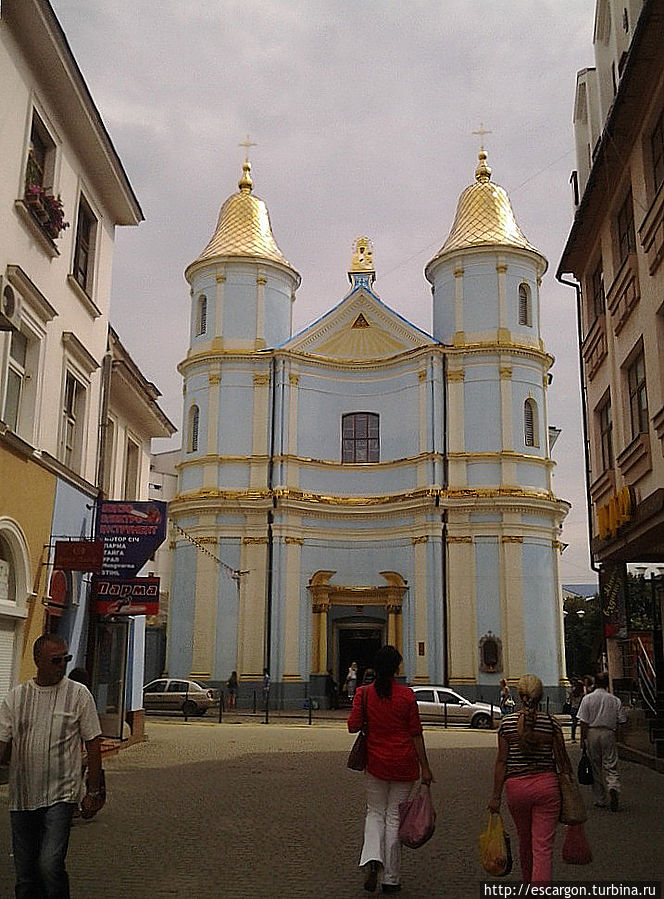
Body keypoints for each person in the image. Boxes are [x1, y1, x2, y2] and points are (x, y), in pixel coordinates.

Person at [0, 634, 104, 897]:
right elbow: (2, 742)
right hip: (23, 797)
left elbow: (93, 742)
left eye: (65, 659)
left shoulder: (78, 695)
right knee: (25, 874)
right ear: (37, 660)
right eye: (56, 660)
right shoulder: (16, 697)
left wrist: (92, 791)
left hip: (61, 794)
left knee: (49, 864)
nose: (62, 665)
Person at [348, 645, 433, 894]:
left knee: (374, 813)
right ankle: (391, 878)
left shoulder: (364, 694)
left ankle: (373, 858)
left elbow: (352, 726)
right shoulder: (407, 696)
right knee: (395, 816)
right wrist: (425, 768)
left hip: (376, 764)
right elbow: (416, 734)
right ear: (397, 668)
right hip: (404, 765)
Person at [488, 674, 573, 884]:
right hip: (547, 787)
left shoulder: (507, 724)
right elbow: (562, 759)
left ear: (519, 696)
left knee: (524, 842)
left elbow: (501, 762)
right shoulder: (551, 723)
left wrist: (495, 798)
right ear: (541, 696)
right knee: (542, 847)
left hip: (516, 789)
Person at [576, 670, 627, 811]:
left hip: (592, 732)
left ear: (595, 683)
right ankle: (613, 786)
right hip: (609, 732)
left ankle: (601, 799)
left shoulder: (587, 699)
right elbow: (622, 721)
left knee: (595, 766)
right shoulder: (614, 700)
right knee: (611, 763)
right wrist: (619, 738)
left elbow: (583, 721)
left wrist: (582, 739)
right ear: (607, 684)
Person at [568, 678, 584, 742]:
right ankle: (583, 737)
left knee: (574, 724)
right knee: (582, 723)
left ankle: (573, 737)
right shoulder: (581, 694)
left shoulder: (572, 692)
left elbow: (570, 700)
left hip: (573, 708)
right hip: (580, 708)